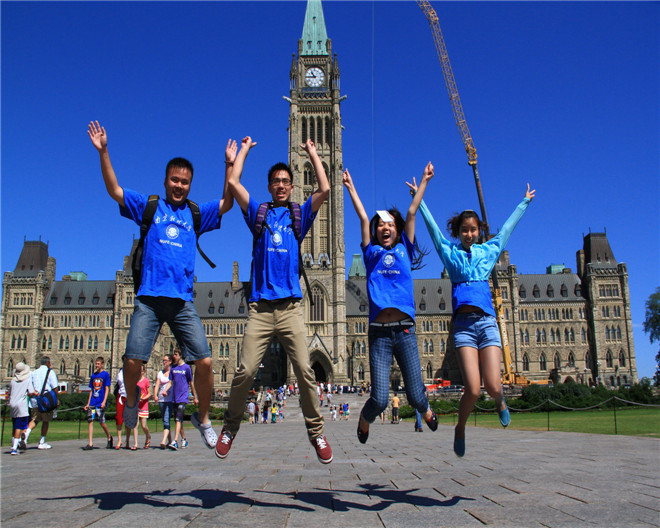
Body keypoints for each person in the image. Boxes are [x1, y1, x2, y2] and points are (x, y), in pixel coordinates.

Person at [87, 121, 236, 449]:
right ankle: (127, 409)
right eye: (175, 180)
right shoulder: (150, 206)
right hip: (149, 300)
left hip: (182, 301)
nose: (179, 186)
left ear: (190, 184)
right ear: (166, 180)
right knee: (131, 360)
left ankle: (205, 418)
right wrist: (104, 152)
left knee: (206, 362)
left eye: (185, 182)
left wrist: (229, 164)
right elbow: (115, 190)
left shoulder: (195, 214)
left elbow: (226, 203)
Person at [217, 136, 332, 464]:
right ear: (270, 186)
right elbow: (234, 183)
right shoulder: (260, 212)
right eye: (276, 182)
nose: (281, 185)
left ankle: (317, 432)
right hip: (261, 308)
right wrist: (241, 153)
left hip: (292, 307)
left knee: (306, 372)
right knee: (245, 369)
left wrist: (313, 152)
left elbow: (324, 190)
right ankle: (230, 428)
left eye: (285, 181)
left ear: (292, 186)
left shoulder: (300, 215)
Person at [414, 162, 536, 457]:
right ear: (458, 232)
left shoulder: (488, 251)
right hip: (465, 327)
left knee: (494, 386)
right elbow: (431, 230)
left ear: (480, 232)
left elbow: (506, 230)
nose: (469, 234)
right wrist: (420, 194)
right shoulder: (451, 255)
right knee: (472, 389)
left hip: (488, 323)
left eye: (474, 230)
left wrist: (524, 202)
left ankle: (501, 402)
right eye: (465, 230)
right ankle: (460, 428)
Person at [343, 167, 437, 445]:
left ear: (397, 231)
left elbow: (411, 213)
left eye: (390, 225)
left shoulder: (404, 250)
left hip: (406, 330)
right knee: (380, 398)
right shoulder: (371, 254)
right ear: (376, 230)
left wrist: (423, 183)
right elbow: (362, 216)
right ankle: (364, 419)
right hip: (380, 333)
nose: (385, 227)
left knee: (418, 396)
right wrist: (350, 187)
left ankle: (427, 409)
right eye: (381, 224)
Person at [24, 357, 59, 450]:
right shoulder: (50, 372)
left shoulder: (34, 373)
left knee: (35, 419)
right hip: (46, 401)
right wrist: (57, 400)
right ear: (48, 363)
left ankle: (25, 436)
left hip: (35, 400)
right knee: (45, 420)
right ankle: (42, 442)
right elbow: (55, 388)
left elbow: (30, 388)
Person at [168, 348, 196, 450]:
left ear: (180, 356)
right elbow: (170, 382)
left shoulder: (187, 368)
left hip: (183, 398)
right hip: (175, 398)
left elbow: (191, 383)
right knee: (178, 421)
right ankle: (184, 439)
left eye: (175, 354)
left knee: (178, 418)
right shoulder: (173, 368)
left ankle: (175, 441)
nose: (174, 356)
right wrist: (164, 391)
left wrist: (194, 396)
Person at [83, 356, 113, 450]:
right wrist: (88, 403)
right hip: (93, 402)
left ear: (102, 364)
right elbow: (91, 390)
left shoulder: (105, 375)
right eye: (96, 364)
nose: (96, 365)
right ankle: (90, 443)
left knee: (101, 422)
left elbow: (107, 389)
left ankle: (109, 437)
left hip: (100, 402)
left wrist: (104, 401)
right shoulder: (93, 376)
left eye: (98, 364)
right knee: (90, 421)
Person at [9, 362, 34, 455]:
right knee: (19, 427)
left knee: (14, 426)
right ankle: (14, 448)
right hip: (21, 406)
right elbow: (31, 392)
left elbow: (10, 392)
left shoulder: (12, 380)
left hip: (13, 404)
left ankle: (14, 444)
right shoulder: (27, 381)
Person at [154, 354, 174, 449]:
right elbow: (157, 384)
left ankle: (163, 441)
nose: (164, 362)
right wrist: (155, 395)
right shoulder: (160, 373)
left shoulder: (173, 372)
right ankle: (170, 441)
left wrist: (166, 390)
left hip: (170, 399)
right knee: (165, 420)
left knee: (166, 419)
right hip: (161, 399)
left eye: (165, 360)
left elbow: (171, 383)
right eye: (163, 360)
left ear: (170, 362)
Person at [114, 355, 131, 450]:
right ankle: (119, 440)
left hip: (129, 397)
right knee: (119, 418)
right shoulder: (120, 371)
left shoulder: (132, 371)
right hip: (121, 396)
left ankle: (127, 441)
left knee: (128, 420)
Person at [137, 363, 152, 449]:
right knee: (136, 424)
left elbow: (149, 393)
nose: (140, 372)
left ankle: (148, 436)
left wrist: (143, 399)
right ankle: (136, 443)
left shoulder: (146, 380)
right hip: (136, 405)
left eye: (141, 370)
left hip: (143, 405)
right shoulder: (135, 380)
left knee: (143, 426)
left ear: (144, 371)